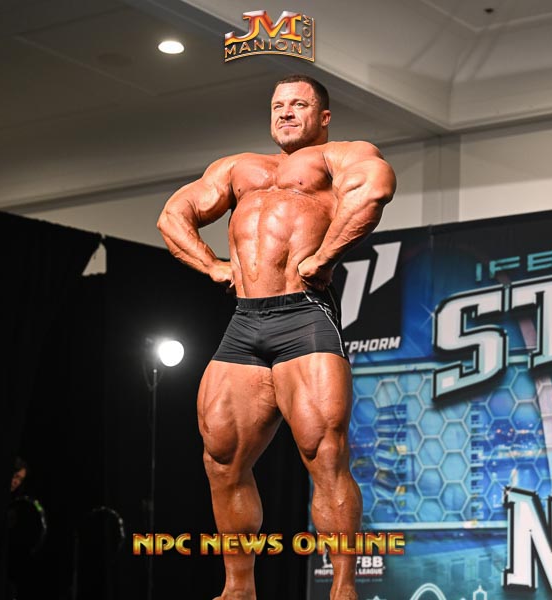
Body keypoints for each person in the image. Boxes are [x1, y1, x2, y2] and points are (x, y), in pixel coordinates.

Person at [157, 74, 396, 600]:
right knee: (221, 458)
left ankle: (343, 589)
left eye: (299, 104)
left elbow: (374, 188)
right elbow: (173, 215)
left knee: (324, 455)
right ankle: (238, 589)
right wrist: (212, 265)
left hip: (303, 316)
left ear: (323, 116)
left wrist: (325, 256)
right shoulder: (237, 168)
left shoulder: (337, 156)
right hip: (244, 321)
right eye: (278, 105)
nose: (286, 112)